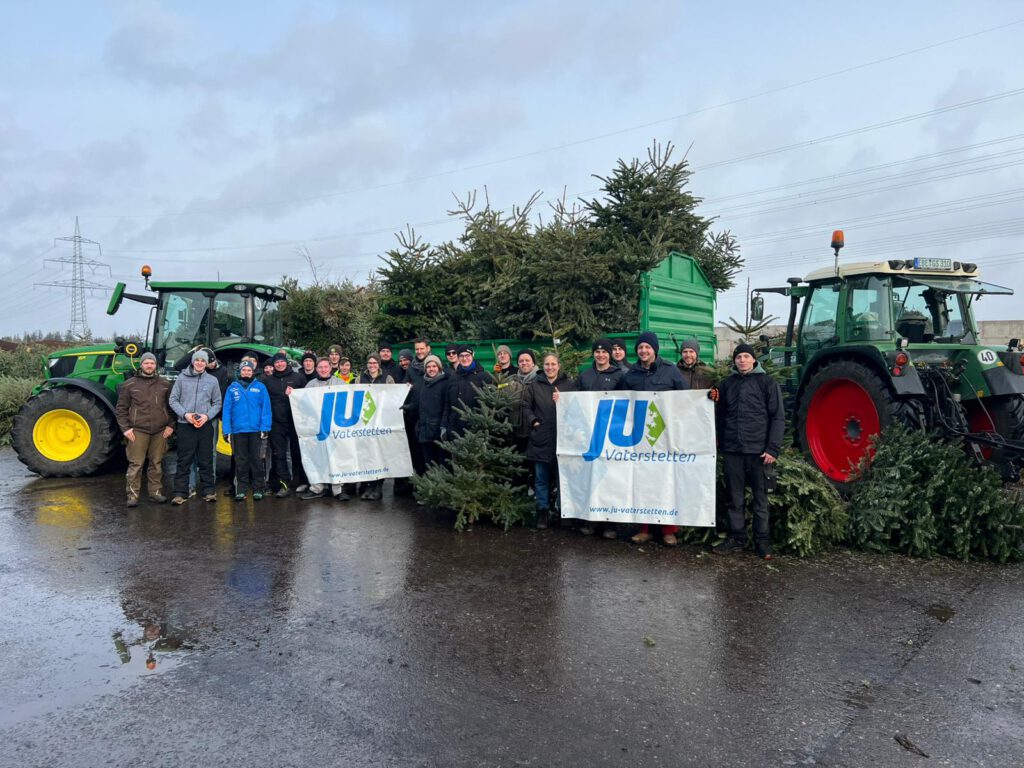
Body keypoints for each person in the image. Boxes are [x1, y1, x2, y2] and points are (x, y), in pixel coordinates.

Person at [712, 343, 785, 560]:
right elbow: (719, 415)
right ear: (734, 361)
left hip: (758, 452)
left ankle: (762, 541)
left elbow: (777, 417)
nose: (742, 360)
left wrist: (772, 448)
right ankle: (737, 538)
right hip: (733, 450)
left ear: (754, 360)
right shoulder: (727, 384)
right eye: (738, 357)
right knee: (734, 499)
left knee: (760, 500)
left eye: (746, 356)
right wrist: (711, 398)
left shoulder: (767, 383)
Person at [618, 331, 687, 546]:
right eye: (640, 347)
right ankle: (644, 529)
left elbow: (686, 398)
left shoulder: (670, 370)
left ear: (654, 349)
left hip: (665, 436)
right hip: (641, 438)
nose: (643, 350)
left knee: (666, 481)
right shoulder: (631, 374)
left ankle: (668, 530)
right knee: (643, 482)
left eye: (647, 347)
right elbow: (621, 402)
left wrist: (709, 397)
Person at [577, 338, 626, 538]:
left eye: (604, 352)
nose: (600, 355)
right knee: (591, 478)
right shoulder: (585, 375)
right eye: (597, 352)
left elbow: (627, 402)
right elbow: (576, 401)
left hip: (611, 435)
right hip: (590, 435)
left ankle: (610, 523)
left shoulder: (619, 375)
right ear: (593, 354)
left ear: (609, 354)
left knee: (610, 478)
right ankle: (591, 519)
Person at [523, 353, 576, 529]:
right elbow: (526, 407)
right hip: (541, 438)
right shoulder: (534, 385)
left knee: (563, 479)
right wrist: (533, 421)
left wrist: (564, 401)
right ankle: (543, 512)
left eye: (553, 364)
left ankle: (564, 512)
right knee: (541, 478)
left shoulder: (569, 385)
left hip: (563, 439)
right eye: (547, 364)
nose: (550, 367)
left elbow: (577, 408)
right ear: (542, 366)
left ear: (559, 366)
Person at [115, 352, 175, 507]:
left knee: (156, 463)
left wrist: (170, 426)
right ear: (141, 365)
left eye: (152, 363)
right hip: (138, 430)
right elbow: (121, 409)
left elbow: (171, 407)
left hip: (160, 430)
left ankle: (155, 493)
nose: (149, 366)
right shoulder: (130, 384)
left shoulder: (165, 384)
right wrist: (126, 429)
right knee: (136, 464)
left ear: (156, 365)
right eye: (146, 363)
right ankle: (132, 495)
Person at [169, 349, 222, 505]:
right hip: (186, 425)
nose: (199, 363)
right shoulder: (181, 378)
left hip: (204, 425)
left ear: (206, 363)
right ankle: (180, 492)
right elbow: (173, 400)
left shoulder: (212, 380)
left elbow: (217, 403)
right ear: (193, 362)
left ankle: (209, 491)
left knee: (206, 459)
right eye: (197, 360)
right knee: (184, 459)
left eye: (202, 361)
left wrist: (207, 416)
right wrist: (185, 415)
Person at [222, 359, 272, 502]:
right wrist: (226, 430)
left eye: (249, 370)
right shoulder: (232, 388)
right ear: (240, 372)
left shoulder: (260, 387)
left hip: (255, 430)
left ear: (253, 372)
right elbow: (227, 410)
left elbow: (266, 409)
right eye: (244, 370)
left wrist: (265, 427)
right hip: (238, 431)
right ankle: (241, 490)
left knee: (257, 460)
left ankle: (258, 489)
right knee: (241, 461)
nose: (246, 372)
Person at [301, 358, 349, 501]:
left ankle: (338, 489)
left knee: (336, 458)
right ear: (316, 369)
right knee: (316, 458)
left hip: (335, 428)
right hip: (317, 428)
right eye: (320, 367)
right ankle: (317, 488)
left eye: (326, 367)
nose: (323, 369)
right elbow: (303, 404)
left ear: (330, 368)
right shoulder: (310, 385)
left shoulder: (339, 383)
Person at [261, 351, 307, 497]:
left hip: (295, 421)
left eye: (282, 361)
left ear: (286, 362)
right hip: (276, 423)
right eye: (277, 362)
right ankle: (284, 484)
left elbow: (308, 398)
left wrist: (295, 393)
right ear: (273, 365)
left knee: (298, 453)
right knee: (279, 454)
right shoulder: (267, 381)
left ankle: (302, 482)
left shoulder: (298, 377)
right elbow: (263, 402)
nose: (280, 364)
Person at [358, 354, 395, 500]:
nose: (372, 365)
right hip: (365, 422)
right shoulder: (359, 378)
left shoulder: (387, 378)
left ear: (379, 364)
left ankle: (378, 487)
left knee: (379, 454)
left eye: (375, 363)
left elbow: (393, 398)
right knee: (367, 455)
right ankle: (369, 485)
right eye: (370, 362)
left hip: (381, 422)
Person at [502, 349, 539, 489]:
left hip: (533, 430)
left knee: (533, 464)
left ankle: (533, 489)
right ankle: (519, 489)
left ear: (533, 363)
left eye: (527, 360)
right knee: (518, 463)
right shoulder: (511, 380)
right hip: (515, 429)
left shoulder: (539, 379)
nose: (524, 363)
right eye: (521, 361)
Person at [446, 345, 493, 437]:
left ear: (473, 355)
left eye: (467, 355)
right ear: (458, 358)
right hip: (455, 427)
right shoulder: (453, 378)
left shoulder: (484, 376)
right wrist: (444, 426)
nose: (464, 359)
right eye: (461, 356)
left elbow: (491, 402)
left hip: (477, 427)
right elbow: (447, 404)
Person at [416, 354, 449, 471]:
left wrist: (444, 427)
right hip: (424, 431)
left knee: (442, 464)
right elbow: (418, 404)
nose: (431, 369)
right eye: (428, 366)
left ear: (439, 367)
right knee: (429, 465)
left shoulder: (445, 384)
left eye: (434, 366)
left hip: (438, 431)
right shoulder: (422, 383)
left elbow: (447, 407)